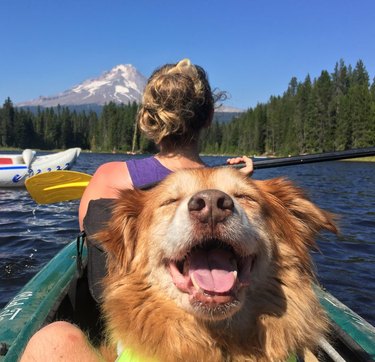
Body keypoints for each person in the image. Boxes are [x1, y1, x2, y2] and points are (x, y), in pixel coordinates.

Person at [20, 59, 253, 361]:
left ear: (148, 120)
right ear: (209, 117)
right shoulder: (224, 191)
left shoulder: (109, 177)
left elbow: (89, 236)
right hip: (225, 330)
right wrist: (237, 181)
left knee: (52, 339)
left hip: (135, 329)